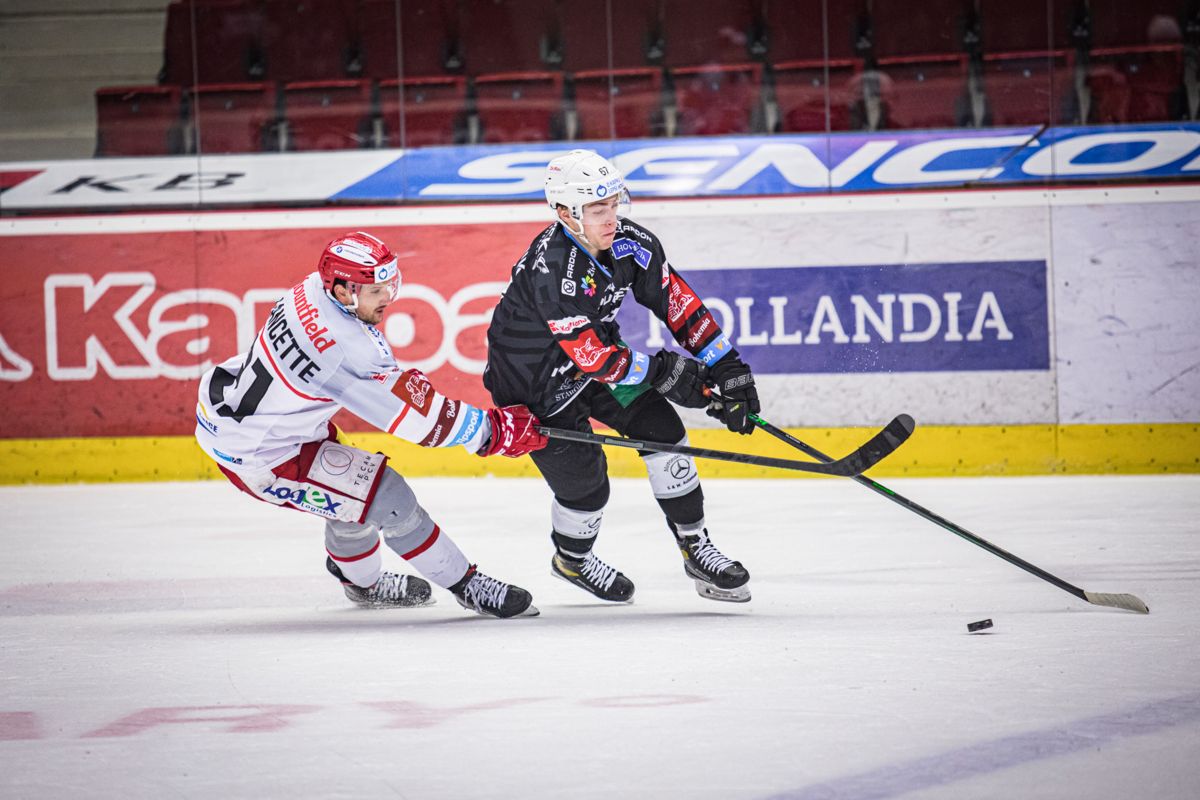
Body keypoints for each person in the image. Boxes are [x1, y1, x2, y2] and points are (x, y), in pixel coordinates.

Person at [195, 231, 547, 618]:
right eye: (377, 290)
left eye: (390, 285)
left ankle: (356, 579)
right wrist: (492, 432)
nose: (388, 298)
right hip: (263, 455)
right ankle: (467, 586)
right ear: (343, 291)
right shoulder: (344, 348)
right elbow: (419, 420)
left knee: (353, 499)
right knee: (389, 499)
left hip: (252, 421)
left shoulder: (310, 289)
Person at [483, 149, 760, 604]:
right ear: (565, 213)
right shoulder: (554, 270)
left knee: (664, 432)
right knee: (587, 487)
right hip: (536, 390)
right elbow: (593, 356)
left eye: (614, 203)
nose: (612, 217)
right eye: (597, 209)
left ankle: (695, 546)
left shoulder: (631, 242)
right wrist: (664, 372)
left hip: (597, 369)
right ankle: (572, 560)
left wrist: (728, 366)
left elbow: (677, 303)